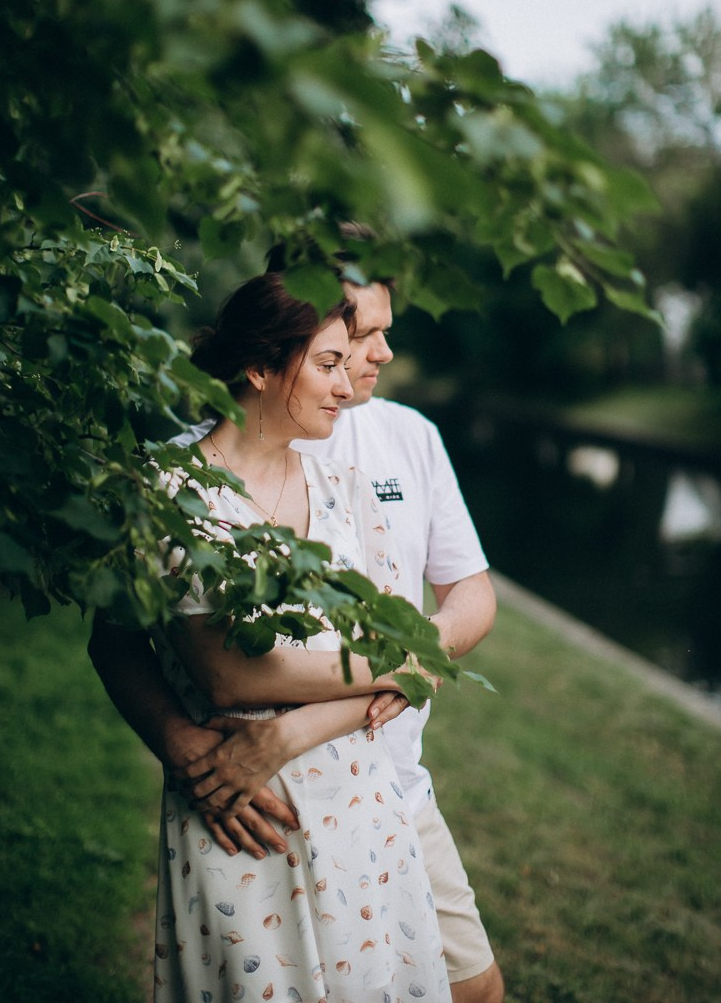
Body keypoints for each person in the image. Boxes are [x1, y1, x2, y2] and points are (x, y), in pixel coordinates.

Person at [90, 261, 504, 1003]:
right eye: (336, 355)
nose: (357, 374)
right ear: (262, 362)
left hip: (371, 798)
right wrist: (187, 750)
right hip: (243, 813)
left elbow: (424, 633)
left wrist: (396, 672)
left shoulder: (350, 478)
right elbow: (218, 670)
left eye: (364, 349)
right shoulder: (171, 487)